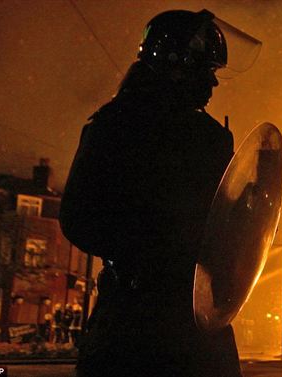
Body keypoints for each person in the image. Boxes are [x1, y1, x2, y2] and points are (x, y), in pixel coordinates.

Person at [60, 9, 241, 377]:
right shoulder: (115, 129)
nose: (213, 83)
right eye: (205, 69)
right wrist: (154, 244)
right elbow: (78, 218)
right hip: (135, 322)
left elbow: (231, 227)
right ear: (175, 64)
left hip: (190, 318)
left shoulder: (210, 138)